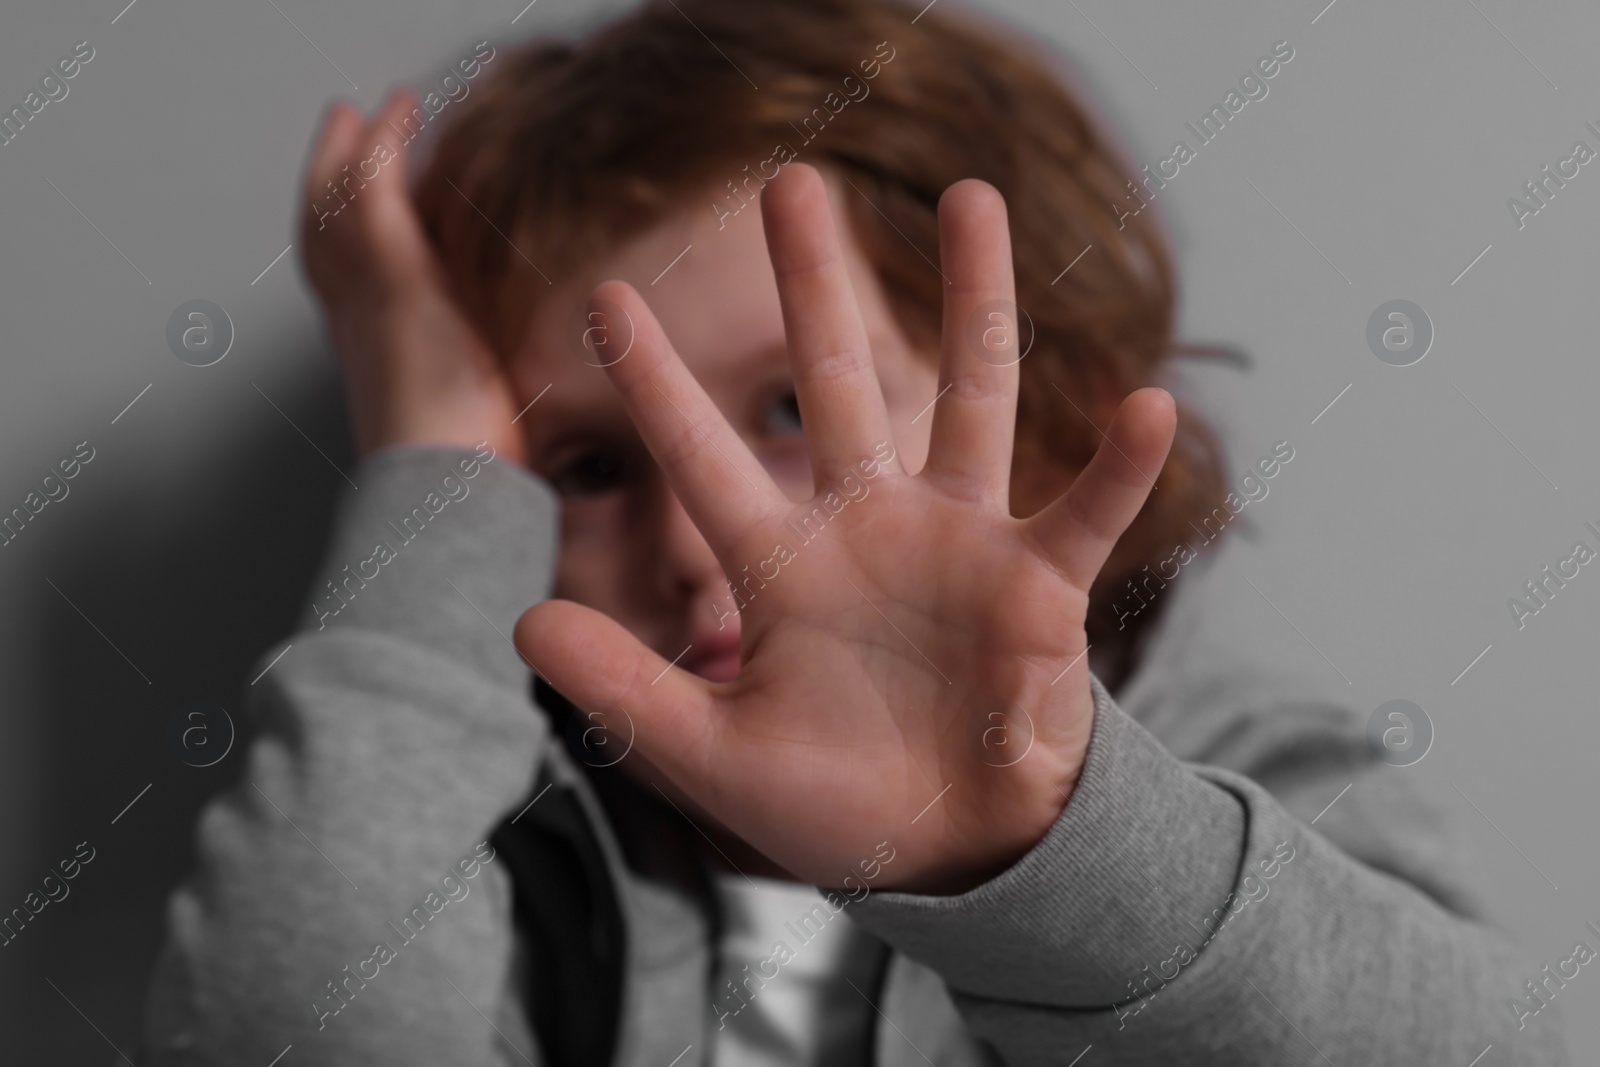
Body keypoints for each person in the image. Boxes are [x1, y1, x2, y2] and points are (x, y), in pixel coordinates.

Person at [137, 0, 1571, 1063]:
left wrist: (1039, 848)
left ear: (1045, 414)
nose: (703, 546)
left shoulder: (1253, 775)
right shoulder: (495, 846)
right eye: (581, 464)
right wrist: (437, 465)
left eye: (786, 418)